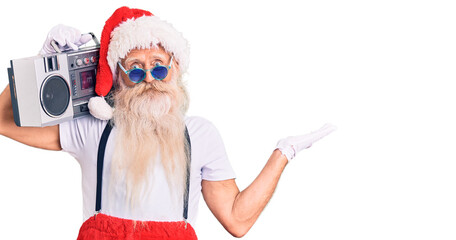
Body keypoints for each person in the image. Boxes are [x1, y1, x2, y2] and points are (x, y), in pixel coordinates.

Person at [0, 6, 335, 239]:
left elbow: (236, 219)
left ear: (175, 69)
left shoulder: (200, 135)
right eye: (135, 68)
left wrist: (283, 153)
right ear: (118, 78)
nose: (150, 78)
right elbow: (3, 121)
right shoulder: (92, 128)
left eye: (158, 66)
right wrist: (42, 61)